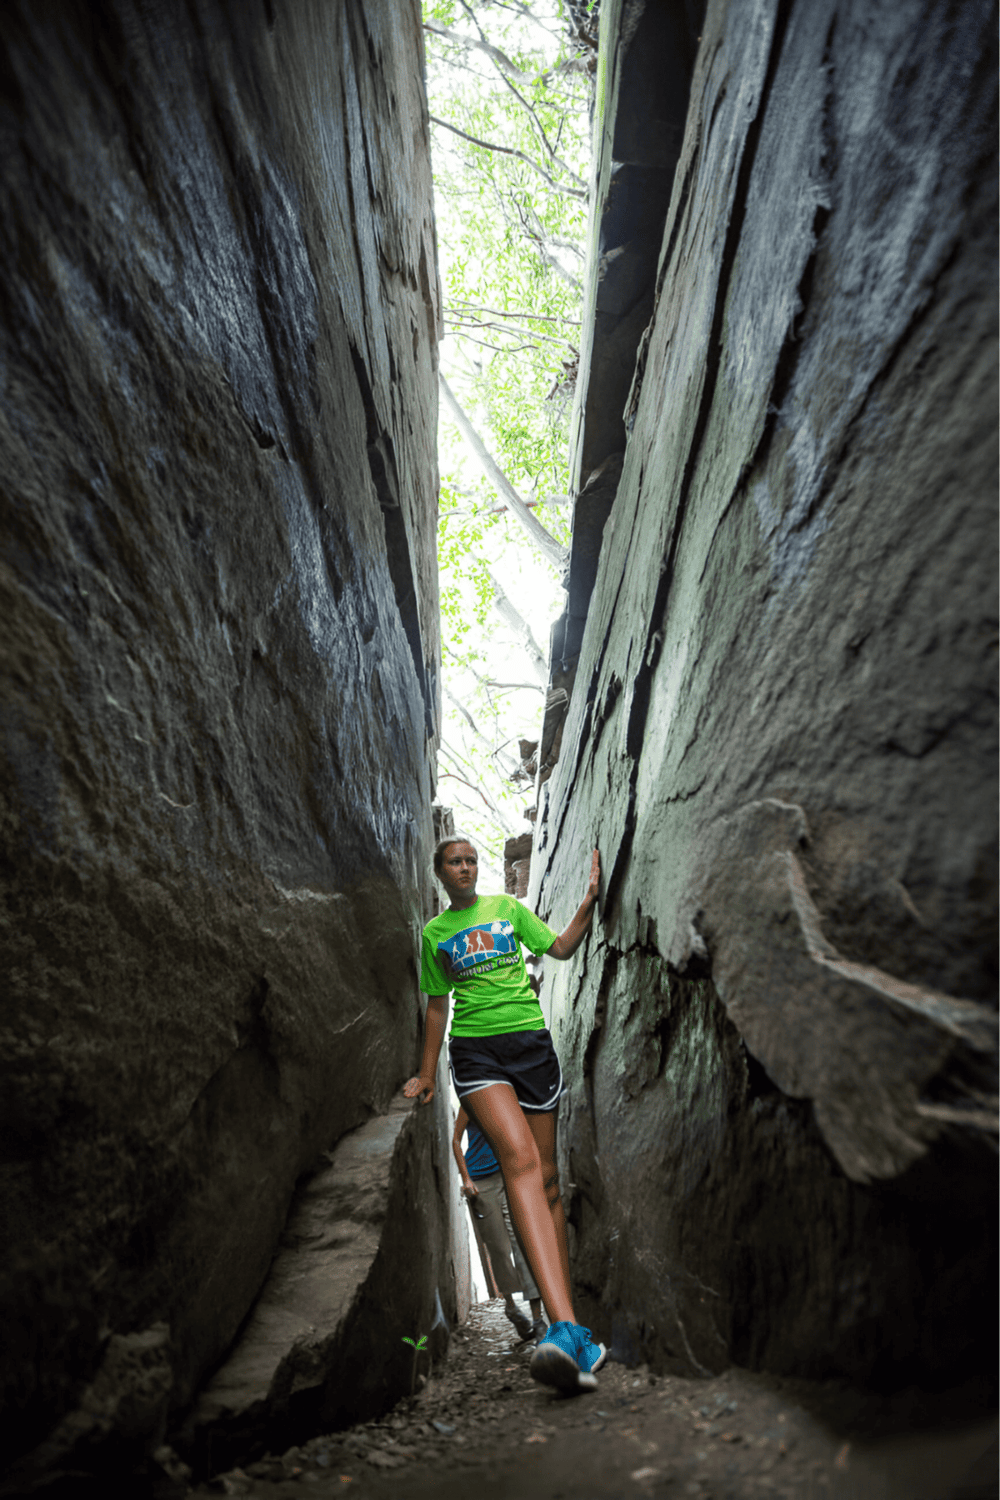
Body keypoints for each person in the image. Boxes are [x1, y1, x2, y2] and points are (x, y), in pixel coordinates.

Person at [404, 834, 606, 1393]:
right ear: (440, 873)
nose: (464, 867)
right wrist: (425, 1073)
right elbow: (438, 1006)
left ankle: (572, 1329)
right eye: (454, 862)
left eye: (470, 860)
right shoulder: (435, 935)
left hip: (530, 1045)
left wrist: (587, 902)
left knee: (546, 1182)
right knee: (518, 1162)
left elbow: (559, 949)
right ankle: (562, 1330)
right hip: (476, 1052)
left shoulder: (508, 910)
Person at [453, 1102, 545, 1342]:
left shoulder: (507, 1092)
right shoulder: (469, 1102)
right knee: (500, 1250)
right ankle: (512, 1307)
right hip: (481, 1185)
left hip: (509, 1175)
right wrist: (466, 1179)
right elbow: (456, 1141)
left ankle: (538, 1319)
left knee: (524, 1244)